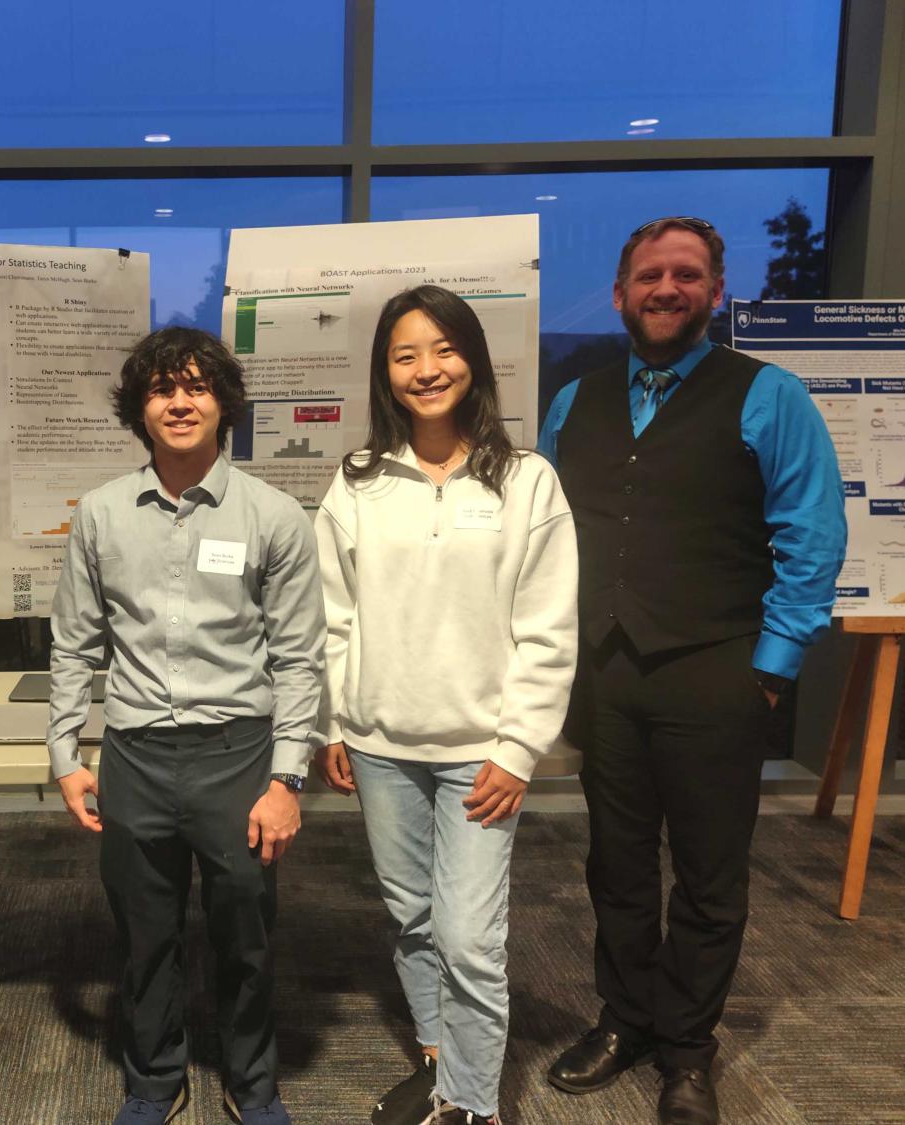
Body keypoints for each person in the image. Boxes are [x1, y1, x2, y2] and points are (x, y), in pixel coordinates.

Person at [538, 217, 846, 1125]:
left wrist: (771, 667)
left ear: (716, 290)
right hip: (606, 674)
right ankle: (625, 1016)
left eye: (686, 275)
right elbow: (544, 538)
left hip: (719, 671)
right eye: (647, 275)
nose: (664, 289)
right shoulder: (574, 402)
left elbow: (811, 535)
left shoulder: (769, 395)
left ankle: (689, 1049)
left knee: (709, 875)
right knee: (617, 865)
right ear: (621, 290)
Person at [313, 286, 578, 1125]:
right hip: (381, 741)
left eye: (443, 348)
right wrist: (336, 722)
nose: (427, 369)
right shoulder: (357, 482)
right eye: (405, 354)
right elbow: (333, 617)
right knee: (412, 916)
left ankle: (470, 1103)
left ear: (473, 358)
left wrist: (518, 747)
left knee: (469, 935)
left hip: (480, 751)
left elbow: (547, 625)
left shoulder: (527, 480)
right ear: (385, 374)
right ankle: (439, 1055)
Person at [48, 326, 325, 1125]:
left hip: (238, 754)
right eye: (162, 388)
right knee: (146, 935)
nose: (179, 400)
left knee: (247, 936)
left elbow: (301, 658)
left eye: (197, 386)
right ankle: (155, 1080)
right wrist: (67, 751)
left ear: (223, 403)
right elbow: (74, 640)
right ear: (140, 407)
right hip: (135, 752)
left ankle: (252, 1079)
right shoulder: (101, 513)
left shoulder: (274, 515)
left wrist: (287, 777)